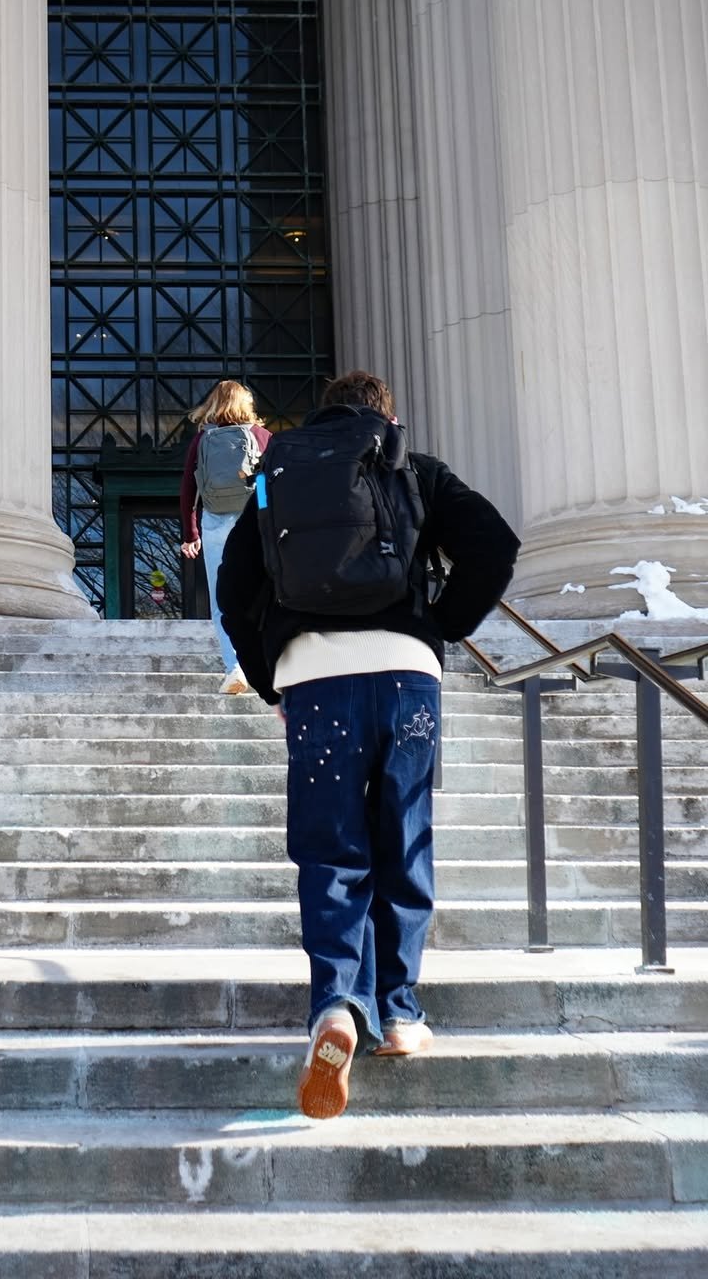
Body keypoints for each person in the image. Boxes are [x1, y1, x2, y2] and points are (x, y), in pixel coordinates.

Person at [217, 370, 519, 1118]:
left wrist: (270, 677)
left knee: (331, 851)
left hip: (316, 680)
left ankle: (333, 1010)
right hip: (405, 677)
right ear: (387, 414)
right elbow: (494, 545)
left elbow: (233, 587)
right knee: (402, 838)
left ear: (321, 413)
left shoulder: (277, 473)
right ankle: (402, 1014)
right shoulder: (410, 468)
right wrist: (440, 627)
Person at [179, 380, 272, 694]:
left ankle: (235, 669)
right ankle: (265, 663)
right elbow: (271, 483)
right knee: (262, 593)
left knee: (222, 600)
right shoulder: (262, 436)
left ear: (213, 404)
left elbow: (188, 489)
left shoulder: (203, 438)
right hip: (254, 522)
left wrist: (191, 532)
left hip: (216, 520)